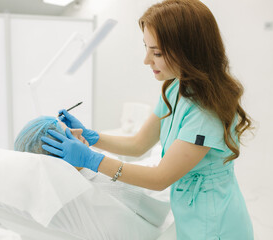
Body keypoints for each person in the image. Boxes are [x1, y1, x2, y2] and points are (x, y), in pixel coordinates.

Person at [41, 0, 254, 239]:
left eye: (157, 53)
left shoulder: (205, 112)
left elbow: (159, 178)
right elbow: (138, 144)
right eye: (146, 48)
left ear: (189, 51)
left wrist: (91, 160)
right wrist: (92, 136)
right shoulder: (176, 88)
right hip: (191, 213)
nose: (146, 60)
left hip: (214, 224)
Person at [14, 116, 172, 240]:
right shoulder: (107, 185)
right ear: (56, 154)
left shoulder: (52, 188)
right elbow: (161, 192)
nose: (79, 131)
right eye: (69, 134)